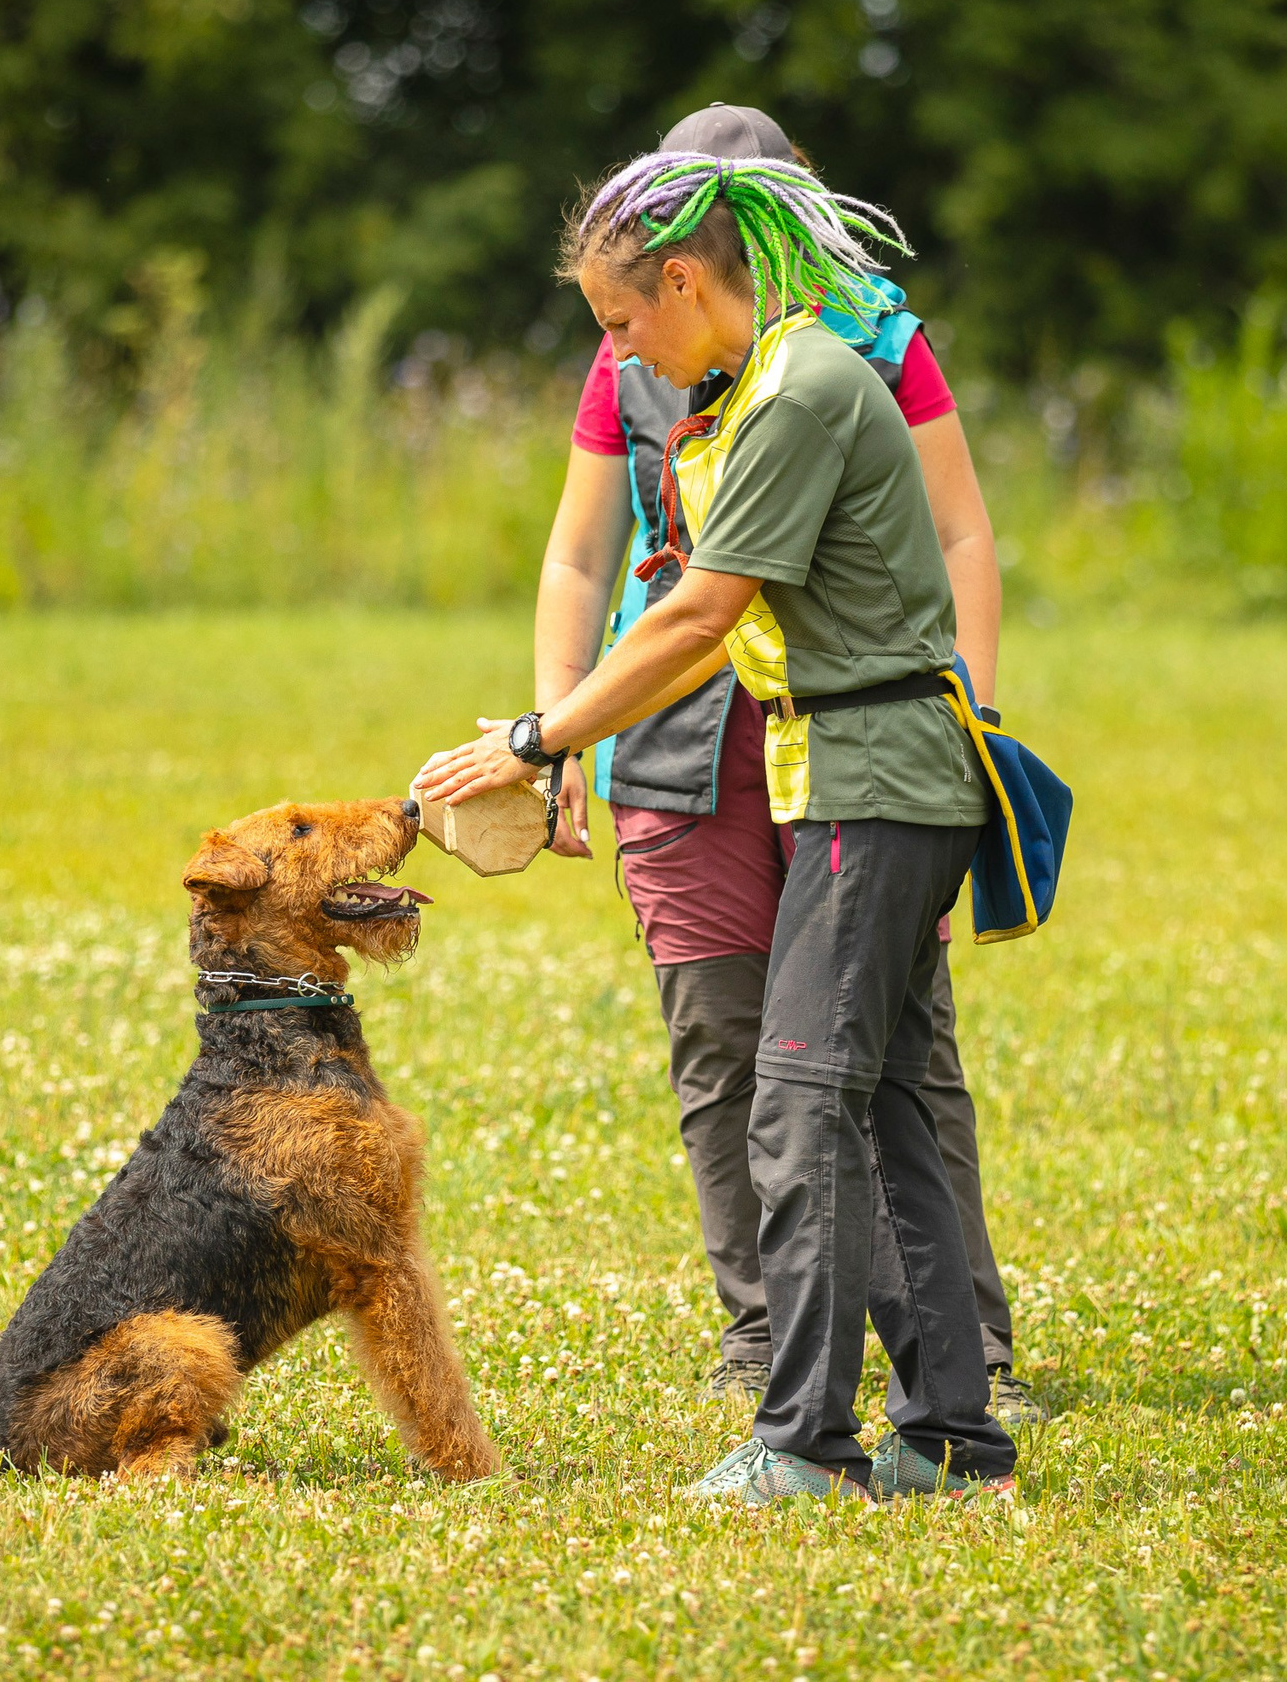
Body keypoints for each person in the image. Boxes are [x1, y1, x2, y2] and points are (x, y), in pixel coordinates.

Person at [417, 149, 1016, 1500]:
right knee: (889, 1112)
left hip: (876, 779)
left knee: (799, 1104)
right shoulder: (772, 381)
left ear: (684, 280)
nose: (618, 352)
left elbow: (697, 613)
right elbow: (705, 621)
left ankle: (804, 1443)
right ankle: (952, 1440)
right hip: (871, 775)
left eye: (622, 324)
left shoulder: (801, 390)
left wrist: (539, 737)